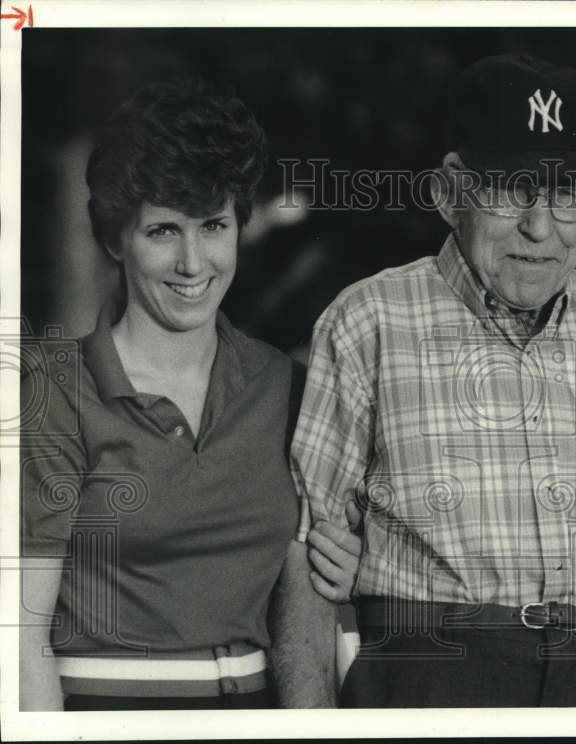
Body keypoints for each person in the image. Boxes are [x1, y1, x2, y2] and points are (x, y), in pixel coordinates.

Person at [272, 53, 576, 707]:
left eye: (566, 194)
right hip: (427, 683)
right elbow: (306, 564)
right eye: (512, 188)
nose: (540, 228)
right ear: (453, 191)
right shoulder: (368, 320)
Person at [19, 80, 300, 710]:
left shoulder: (281, 384)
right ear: (117, 239)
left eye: (214, 225)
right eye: (163, 231)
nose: (194, 263)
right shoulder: (55, 392)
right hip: (106, 712)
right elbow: (18, 636)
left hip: (256, 708)